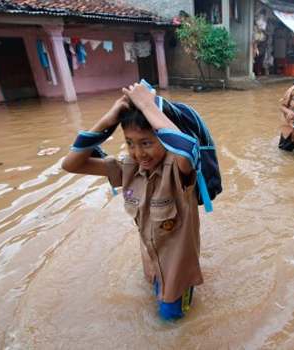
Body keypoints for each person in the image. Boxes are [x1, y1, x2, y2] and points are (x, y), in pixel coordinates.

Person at [62, 83, 203, 321]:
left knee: (172, 323)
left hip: (176, 275)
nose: (139, 153)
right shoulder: (129, 167)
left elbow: (188, 148)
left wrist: (148, 106)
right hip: (151, 266)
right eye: (130, 142)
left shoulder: (179, 170)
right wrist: (107, 121)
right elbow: (70, 164)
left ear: (163, 139)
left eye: (147, 142)